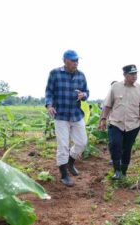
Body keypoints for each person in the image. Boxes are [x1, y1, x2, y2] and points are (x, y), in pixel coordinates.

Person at [45, 49, 89, 186]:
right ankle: (64, 175)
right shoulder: (55, 74)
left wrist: (84, 95)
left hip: (76, 114)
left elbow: (86, 91)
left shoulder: (81, 75)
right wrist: (49, 105)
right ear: (65, 61)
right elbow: (49, 92)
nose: (76, 63)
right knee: (63, 145)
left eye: (77, 60)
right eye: (73, 61)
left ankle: (70, 162)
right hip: (61, 115)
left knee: (82, 142)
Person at [98, 64, 140, 180]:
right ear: (125, 75)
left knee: (127, 148)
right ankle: (116, 170)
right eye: (131, 74)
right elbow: (107, 105)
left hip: (133, 125)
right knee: (115, 144)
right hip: (116, 123)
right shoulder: (115, 87)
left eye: (135, 74)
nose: (134, 76)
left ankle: (124, 172)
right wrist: (103, 119)